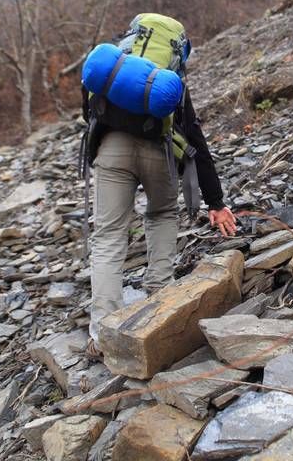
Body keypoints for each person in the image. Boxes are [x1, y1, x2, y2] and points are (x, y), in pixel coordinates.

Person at [81, 22, 237, 346]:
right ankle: (160, 299)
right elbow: (196, 140)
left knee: (109, 236)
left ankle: (102, 332)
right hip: (158, 153)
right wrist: (216, 203)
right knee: (163, 214)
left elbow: (88, 112)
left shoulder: (112, 66)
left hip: (112, 151)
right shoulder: (169, 80)